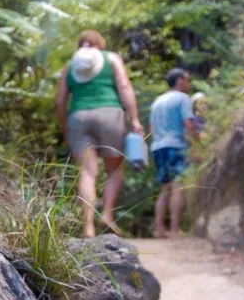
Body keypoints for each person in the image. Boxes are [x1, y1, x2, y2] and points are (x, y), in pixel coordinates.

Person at [57, 30, 144, 238]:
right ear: (99, 44)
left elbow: (59, 102)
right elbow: (124, 85)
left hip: (78, 117)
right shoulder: (111, 58)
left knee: (87, 173)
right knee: (114, 169)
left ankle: (88, 227)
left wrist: (66, 129)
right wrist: (134, 119)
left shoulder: (70, 66)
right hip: (109, 114)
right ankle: (106, 215)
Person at [150, 68, 196, 238]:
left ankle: (159, 229)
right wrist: (196, 144)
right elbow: (189, 125)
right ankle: (175, 230)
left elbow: (152, 129)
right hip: (176, 145)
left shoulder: (157, 101)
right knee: (178, 186)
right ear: (179, 81)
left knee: (164, 188)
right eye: (187, 79)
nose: (189, 83)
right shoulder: (183, 98)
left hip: (158, 146)